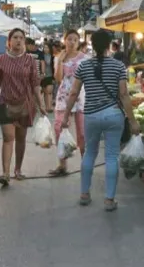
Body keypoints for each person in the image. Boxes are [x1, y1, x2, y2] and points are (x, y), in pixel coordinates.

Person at [61, 29, 140, 211]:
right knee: (112, 156)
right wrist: (133, 120)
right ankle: (109, 200)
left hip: (92, 115)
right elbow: (124, 95)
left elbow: (73, 93)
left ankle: (84, 194)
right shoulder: (118, 67)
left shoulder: (83, 66)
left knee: (90, 153)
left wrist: (66, 116)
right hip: (113, 115)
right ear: (108, 45)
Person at [0, 28, 46, 186]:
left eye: (21, 37)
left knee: (20, 139)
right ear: (9, 41)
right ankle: (5, 173)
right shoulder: (1, 59)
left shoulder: (30, 60)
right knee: (8, 138)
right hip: (6, 103)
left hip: (25, 104)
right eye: (15, 37)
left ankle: (18, 169)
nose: (18, 40)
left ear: (24, 41)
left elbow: (35, 83)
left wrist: (41, 104)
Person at [49, 30, 87, 177]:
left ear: (78, 42)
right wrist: (60, 61)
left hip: (81, 96)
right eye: (69, 39)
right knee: (59, 128)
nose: (72, 42)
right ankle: (62, 165)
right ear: (64, 41)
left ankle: (86, 163)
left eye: (75, 40)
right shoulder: (59, 57)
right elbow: (58, 79)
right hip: (64, 95)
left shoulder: (85, 58)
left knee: (82, 132)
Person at [41, 41, 55, 113]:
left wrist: (54, 77)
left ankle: (49, 107)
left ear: (50, 48)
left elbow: (54, 68)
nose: (45, 49)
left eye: (47, 47)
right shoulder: (41, 55)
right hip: (43, 76)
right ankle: (47, 107)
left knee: (49, 91)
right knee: (45, 92)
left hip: (50, 76)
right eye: (44, 47)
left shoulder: (53, 57)